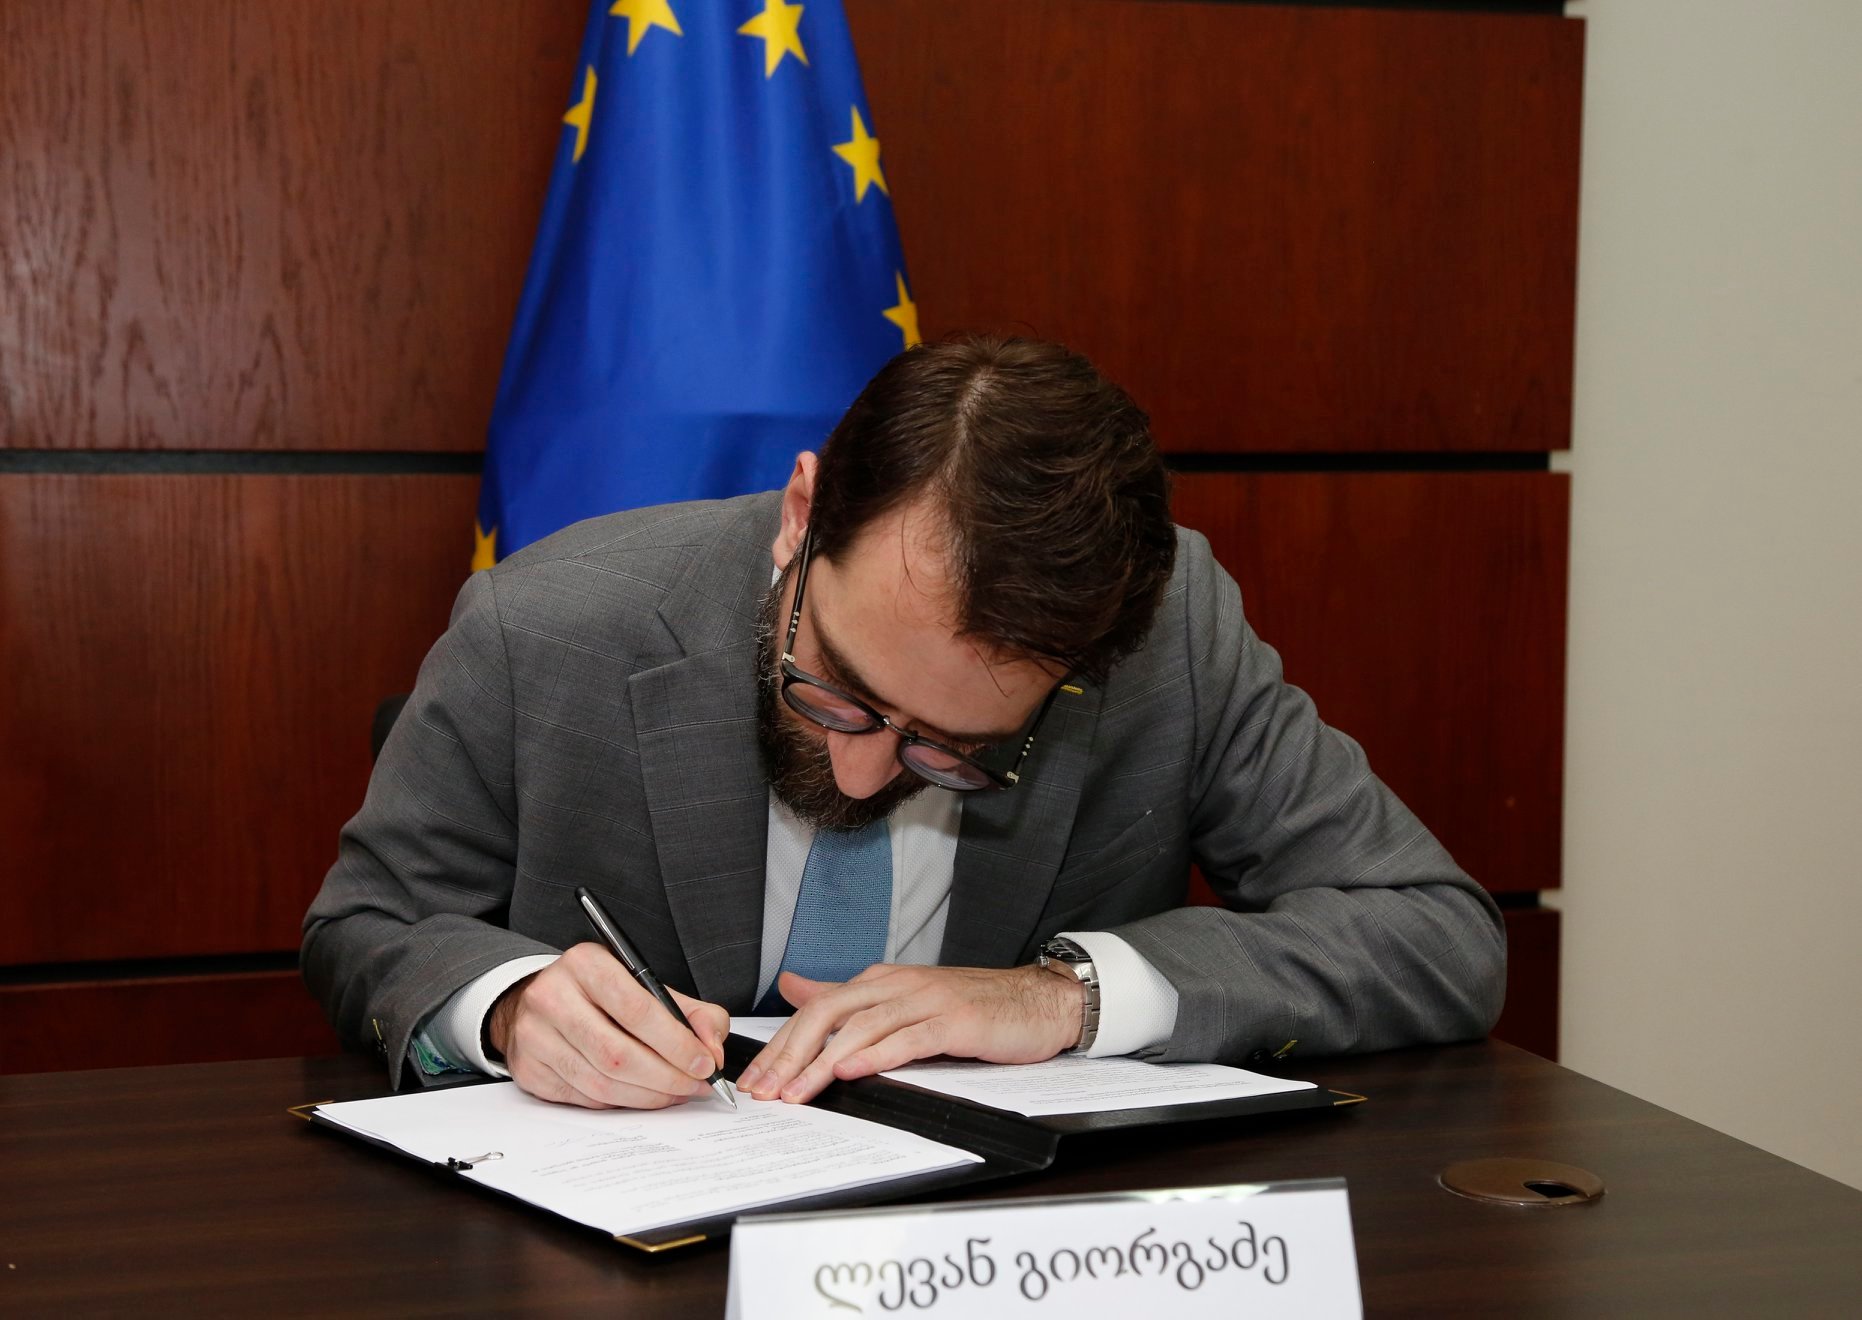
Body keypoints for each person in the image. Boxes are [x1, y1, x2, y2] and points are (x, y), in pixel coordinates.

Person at [302, 335, 1505, 1110]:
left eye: (956, 748)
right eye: (837, 684)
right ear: (801, 516)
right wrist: (508, 1005)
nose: (864, 772)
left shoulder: (1169, 632)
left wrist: (1064, 998)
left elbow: (1435, 937)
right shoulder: (544, 626)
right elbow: (366, 924)